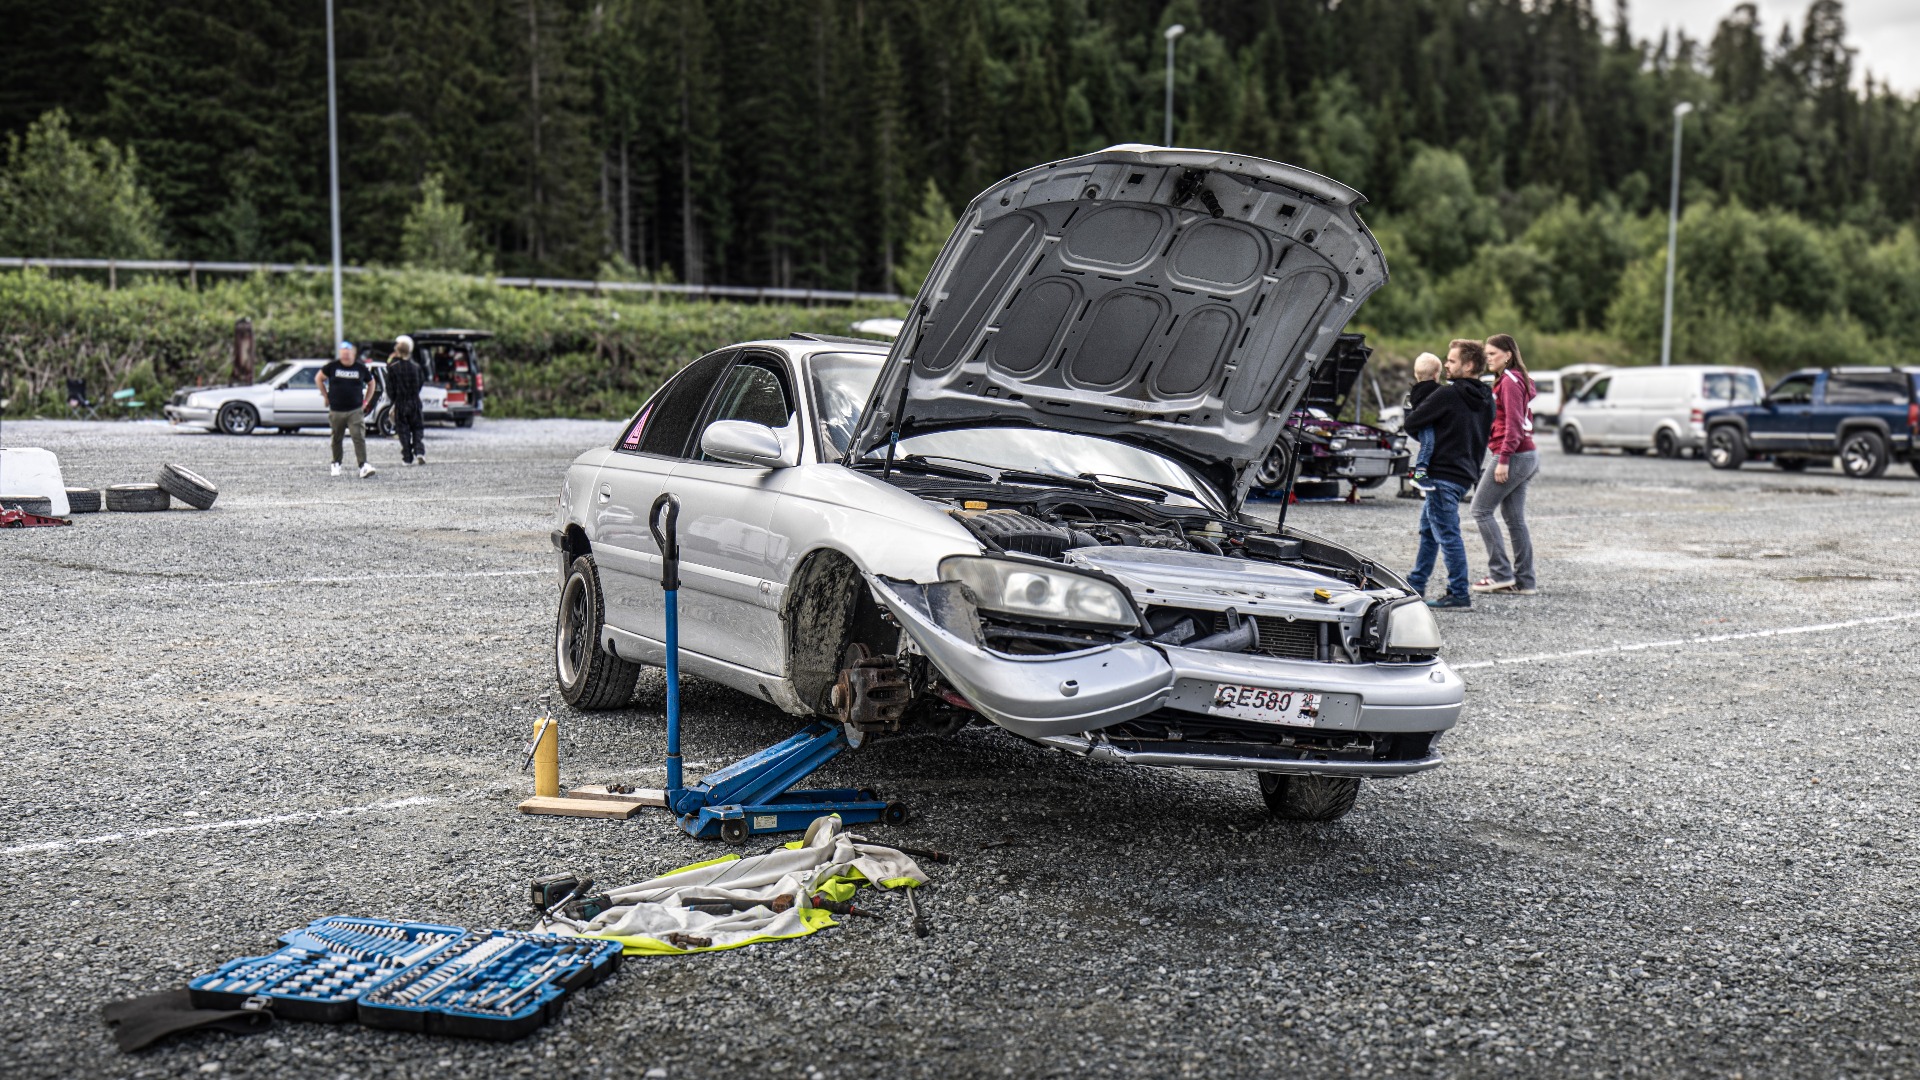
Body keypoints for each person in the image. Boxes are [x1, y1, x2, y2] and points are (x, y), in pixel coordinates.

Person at [1400, 339, 1495, 609]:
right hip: (1465, 475)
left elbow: (1412, 421)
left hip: (1440, 475)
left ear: (1469, 365)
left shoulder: (1448, 394)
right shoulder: (1488, 399)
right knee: (1430, 531)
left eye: (1452, 361)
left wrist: (1430, 438)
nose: (1447, 365)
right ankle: (1416, 583)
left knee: (1447, 534)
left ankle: (1458, 592)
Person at [1470, 332, 1539, 595]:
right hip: (1526, 454)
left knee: (1480, 509)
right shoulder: (1517, 379)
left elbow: (1514, 425)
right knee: (1514, 518)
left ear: (1508, 355)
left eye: (1492, 354)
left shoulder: (1509, 381)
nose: (1488, 358)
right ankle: (1525, 581)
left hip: (1514, 455)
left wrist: (1504, 459)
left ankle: (1500, 573)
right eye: (1486, 354)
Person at [318, 341, 377, 478]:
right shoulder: (332, 366)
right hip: (336, 410)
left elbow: (371, 383)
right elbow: (319, 378)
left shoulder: (360, 368)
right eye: (343, 354)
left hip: (355, 410)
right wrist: (326, 396)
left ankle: (363, 465)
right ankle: (336, 464)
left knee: (358, 437)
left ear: (353, 354)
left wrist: (366, 401)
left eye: (348, 354)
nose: (345, 357)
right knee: (336, 437)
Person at [385, 335, 428, 465]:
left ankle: (407, 457)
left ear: (397, 351)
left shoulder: (393, 367)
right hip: (414, 401)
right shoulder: (416, 367)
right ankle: (419, 450)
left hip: (401, 402)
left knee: (403, 430)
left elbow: (390, 388)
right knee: (417, 427)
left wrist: (394, 401)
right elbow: (420, 383)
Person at [1404, 351, 1442, 492]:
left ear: (1416, 374)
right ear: (1435, 375)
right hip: (1426, 424)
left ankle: (1425, 471)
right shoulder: (1434, 389)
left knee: (1428, 445)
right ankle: (1420, 473)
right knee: (1428, 444)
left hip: (1421, 423)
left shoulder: (1416, 390)